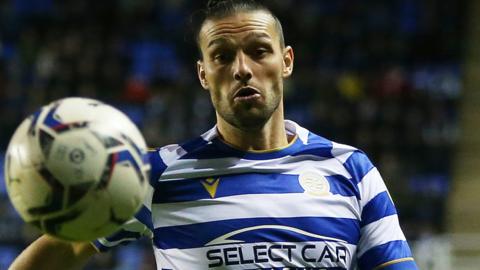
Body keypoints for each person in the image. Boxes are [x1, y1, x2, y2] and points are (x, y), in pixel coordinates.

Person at [9, 0, 418, 269]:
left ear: (286, 61)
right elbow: (55, 253)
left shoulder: (351, 169)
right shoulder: (155, 174)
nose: (242, 68)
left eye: (259, 50)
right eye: (222, 56)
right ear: (204, 74)